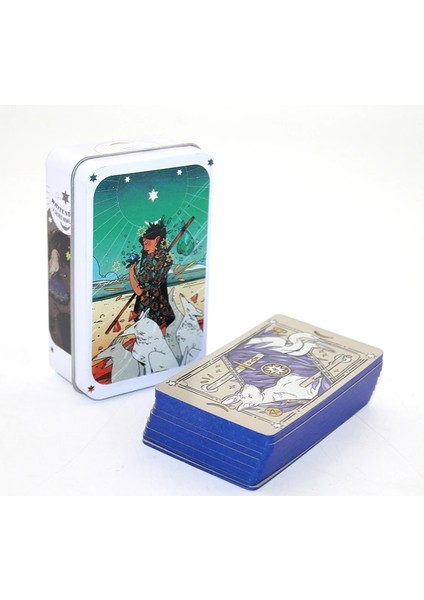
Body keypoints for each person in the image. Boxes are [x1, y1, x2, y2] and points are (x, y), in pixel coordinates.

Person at [128, 218, 175, 335]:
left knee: (151, 337)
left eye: (147, 243)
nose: (144, 247)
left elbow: (139, 291)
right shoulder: (162, 258)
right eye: (143, 243)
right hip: (160, 306)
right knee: (159, 336)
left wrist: (131, 271)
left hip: (150, 306)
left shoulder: (154, 262)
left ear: (157, 240)